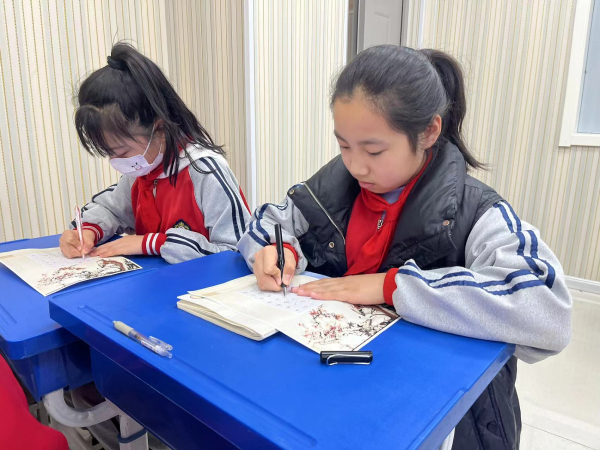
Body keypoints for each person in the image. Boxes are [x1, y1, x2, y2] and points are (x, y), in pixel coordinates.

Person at [238, 45, 572, 449]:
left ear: (428, 132)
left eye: (374, 150)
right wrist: (278, 250)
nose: (356, 166)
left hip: (433, 411)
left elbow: (549, 310)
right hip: (336, 392)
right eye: (344, 146)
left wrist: (392, 286)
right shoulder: (331, 188)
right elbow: (266, 223)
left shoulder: (475, 211)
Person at [59, 42, 249, 264]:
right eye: (109, 153)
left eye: (122, 152)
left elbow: (236, 253)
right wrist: (87, 230)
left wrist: (154, 243)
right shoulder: (141, 173)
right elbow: (111, 208)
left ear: (160, 129)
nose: (116, 162)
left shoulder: (206, 173)